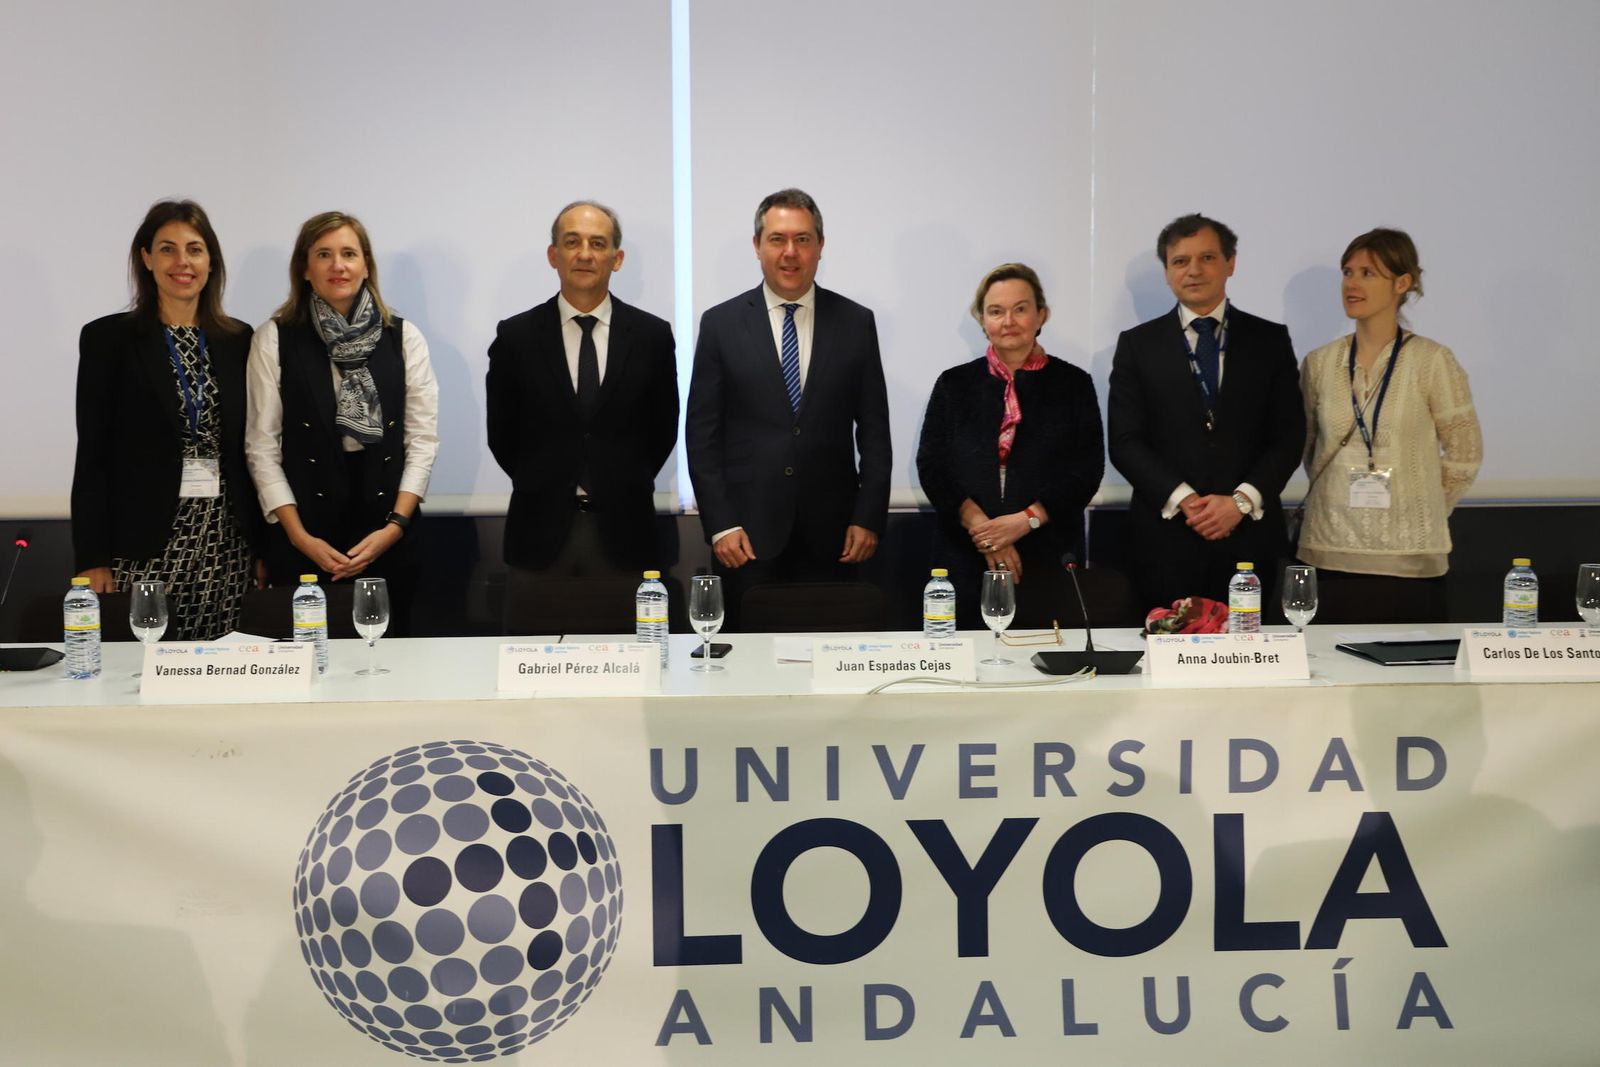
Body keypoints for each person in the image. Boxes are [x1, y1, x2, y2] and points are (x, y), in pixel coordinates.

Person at [685, 188, 891, 620]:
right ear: (758, 246)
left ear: (820, 246)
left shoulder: (856, 322)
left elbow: (874, 431)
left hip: (837, 536)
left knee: (831, 666)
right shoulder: (720, 324)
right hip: (746, 537)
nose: (790, 252)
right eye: (777, 239)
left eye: (802, 239)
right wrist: (721, 523)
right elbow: (702, 436)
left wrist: (868, 516)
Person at [70, 199, 259, 640]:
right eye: (168, 249)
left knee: (218, 671)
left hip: (224, 542)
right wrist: (91, 557)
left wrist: (262, 548)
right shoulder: (107, 340)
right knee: (141, 670)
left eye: (194, 249)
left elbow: (249, 449)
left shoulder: (239, 340)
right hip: (142, 542)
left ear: (211, 261)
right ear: (146, 259)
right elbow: (92, 455)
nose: (182, 262)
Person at [245, 211, 439, 628]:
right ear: (305, 268)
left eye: (349, 253)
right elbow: (262, 448)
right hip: (304, 531)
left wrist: (395, 527)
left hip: (389, 530)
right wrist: (300, 539)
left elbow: (422, 441)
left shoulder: (404, 337)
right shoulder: (274, 338)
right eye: (324, 254)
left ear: (366, 264)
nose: (338, 265)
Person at [1108, 213, 1304, 609]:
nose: (1193, 270)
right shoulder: (1137, 345)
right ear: (1167, 272)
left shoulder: (1269, 340)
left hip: (1249, 538)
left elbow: (1289, 435)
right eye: (1180, 261)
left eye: (1207, 258)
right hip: (1165, 542)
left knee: (1253, 664)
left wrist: (1239, 503)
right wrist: (1185, 501)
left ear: (1230, 264)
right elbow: (1126, 441)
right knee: (1165, 663)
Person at [1296, 228, 1482, 621]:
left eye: (1368, 273)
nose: (1352, 283)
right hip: (1328, 547)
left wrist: (1424, 504)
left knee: (1409, 673)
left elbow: (1466, 452)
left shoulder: (1432, 360)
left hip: (1409, 557)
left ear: (1402, 283)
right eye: (1347, 272)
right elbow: (1307, 448)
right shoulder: (1319, 362)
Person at [485, 200, 678, 575]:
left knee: (627, 634)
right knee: (532, 633)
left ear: (617, 258)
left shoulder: (652, 336)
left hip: (628, 532)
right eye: (572, 242)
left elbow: (662, 430)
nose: (585, 255)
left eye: (598, 244)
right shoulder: (516, 337)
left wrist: (616, 477)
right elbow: (502, 435)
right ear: (553, 255)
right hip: (538, 532)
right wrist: (547, 479)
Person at [916, 263, 1104, 626]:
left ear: (1041, 314)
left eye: (1020, 309)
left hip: (1047, 553)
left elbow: (1086, 469)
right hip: (965, 552)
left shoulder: (1073, 384)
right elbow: (933, 465)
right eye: (996, 311)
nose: (1009, 321)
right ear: (982, 320)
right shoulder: (954, 384)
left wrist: (1025, 521)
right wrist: (987, 533)